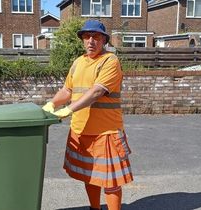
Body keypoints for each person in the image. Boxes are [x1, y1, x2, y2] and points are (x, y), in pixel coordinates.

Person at [42, 20, 133, 210]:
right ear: (82, 40)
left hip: (105, 132)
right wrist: (51, 104)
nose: (91, 41)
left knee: (111, 182)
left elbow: (97, 91)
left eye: (96, 37)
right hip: (81, 130)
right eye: (87, 36)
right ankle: (94, 208)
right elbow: (67, 90)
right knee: (90, 176)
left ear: (104, 40)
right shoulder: (78, 62)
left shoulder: (110, 61)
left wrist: (68, 109)